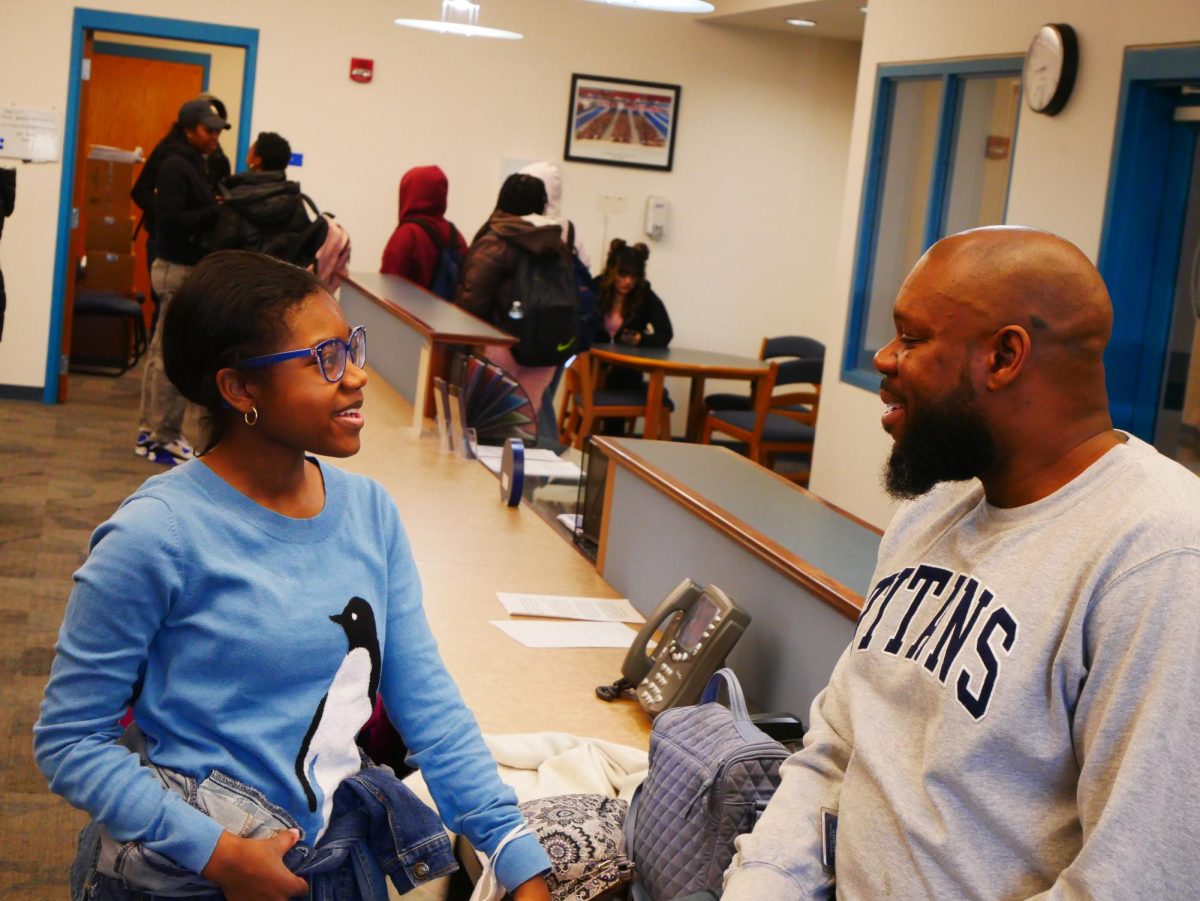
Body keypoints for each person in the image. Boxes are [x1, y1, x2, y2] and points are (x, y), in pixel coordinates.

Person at [34, 250, 552, 901]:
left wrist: (512, 848)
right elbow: (70, 741)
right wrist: (219, 854)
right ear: (239, 389)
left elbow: (429, 704)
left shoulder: (370, 513)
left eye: (352, 348)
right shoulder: (156, 533)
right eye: (325, 359)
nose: (358, 375)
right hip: (189, 873)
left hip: (337, 865)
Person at [721, 226, 1200, 899]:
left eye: (911, 338)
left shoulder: (1160, 557)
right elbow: (835, 748)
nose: (884, 357)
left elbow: (1137, 881)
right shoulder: (933, 510)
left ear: (1004, 357)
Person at [134, 97, 228, 466]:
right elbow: (171, 219)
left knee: (160, 352)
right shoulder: (176, 162)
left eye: (219, 130)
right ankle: (162, 435)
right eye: (209, 130)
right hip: (175, 267)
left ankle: (151, 432)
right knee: (168, 355)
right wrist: (215, 212)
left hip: (176, 266)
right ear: (189, 129)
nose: (215, 137)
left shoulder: (191, 161)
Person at [455, 173, 565, 427]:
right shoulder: (555, 243)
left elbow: (471, 303)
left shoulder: (494, 241)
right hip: (545, 351)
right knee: (522, 429)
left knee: (482, 427)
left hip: (499, 346)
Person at [209, 131, 329, 269]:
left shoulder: (236, 200)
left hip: (240, 282)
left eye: (251, 149)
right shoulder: (298, 202)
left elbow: (218, 254)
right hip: (282, 283)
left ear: (257, 160)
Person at [593, 239, 672, 392]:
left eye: (634, 276)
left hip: (626, 373)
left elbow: (666, 333)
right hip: (592, 368)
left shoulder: (645, 296)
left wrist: (641, 339)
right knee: (660, 396)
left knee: (659, 396)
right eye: (622, 274)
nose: (628, 281)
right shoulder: (595, 288)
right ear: (611, 270)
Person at [380, 164, 468, 297]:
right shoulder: (457, 237)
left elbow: (387, 287)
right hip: (443, 316)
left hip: (405, 316)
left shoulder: (407, 235)